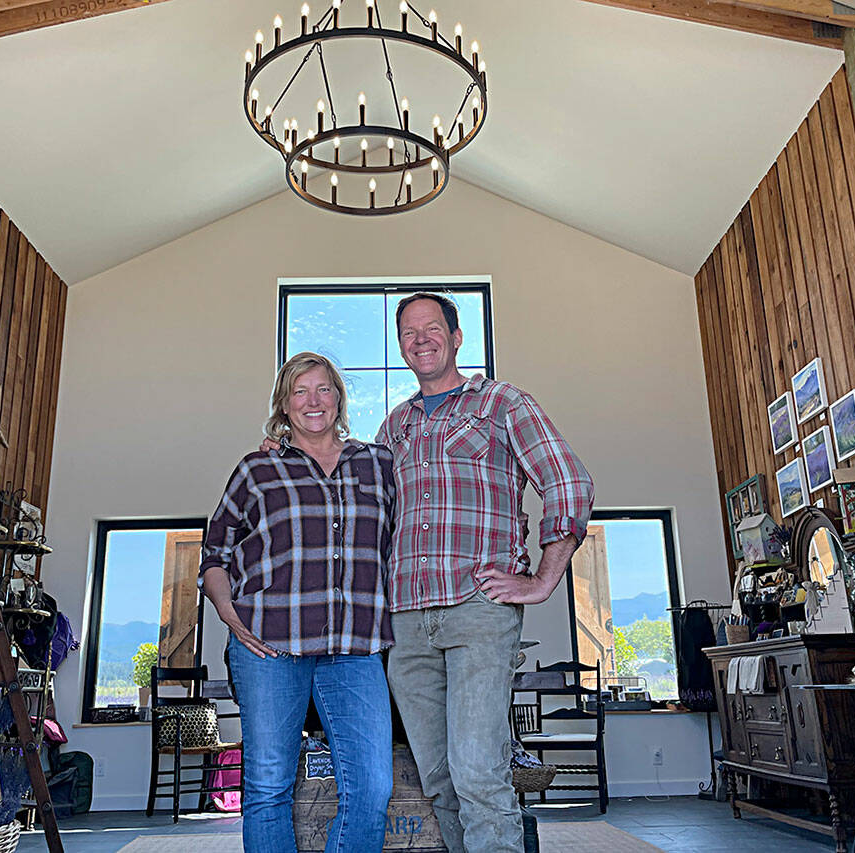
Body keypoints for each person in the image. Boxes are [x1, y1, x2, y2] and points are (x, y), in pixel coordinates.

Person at [379, 293, 594, 852]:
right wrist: (285, 450)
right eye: (408, 332)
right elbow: (360, 506)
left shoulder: (503, 403)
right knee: (440, 780)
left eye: (432, 328)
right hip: (404, 619)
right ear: (400, 346)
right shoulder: (395, 426)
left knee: (479, 772)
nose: (420, 339)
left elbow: (567, 481)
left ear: (456, 337)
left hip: (477, 610)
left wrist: (544, 579)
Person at [199, 352, 396, 853]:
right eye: (300, 391)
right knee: (268, 789)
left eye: (324, 389)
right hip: (269, 646)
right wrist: (228, 613)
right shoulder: (257, 469)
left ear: (339, 398)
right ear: (284, 405)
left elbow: (410, 532)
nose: (314, 400)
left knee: (373, 787)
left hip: (356, 648)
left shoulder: (377, 464)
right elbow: (214, 553)